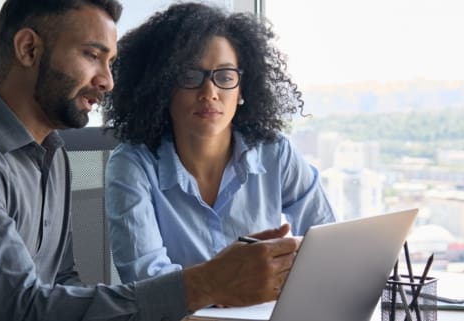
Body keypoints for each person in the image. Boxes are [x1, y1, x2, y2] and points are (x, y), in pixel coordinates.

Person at [0, 1, 299, 320]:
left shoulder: (50, 152)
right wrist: (206, 284)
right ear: (28, 49)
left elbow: (61, 284)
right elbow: (21, 309)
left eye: (111, 62)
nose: (107, 81)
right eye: (92, 56)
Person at [102, 2, 336, 283]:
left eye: (225, 77)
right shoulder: (132, 165)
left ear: (241, 90)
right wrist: (225, 286)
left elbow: (327, 243)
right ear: (162, 87)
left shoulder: (275, 153)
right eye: (190, 76)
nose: (209, 92)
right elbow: (147, 281)